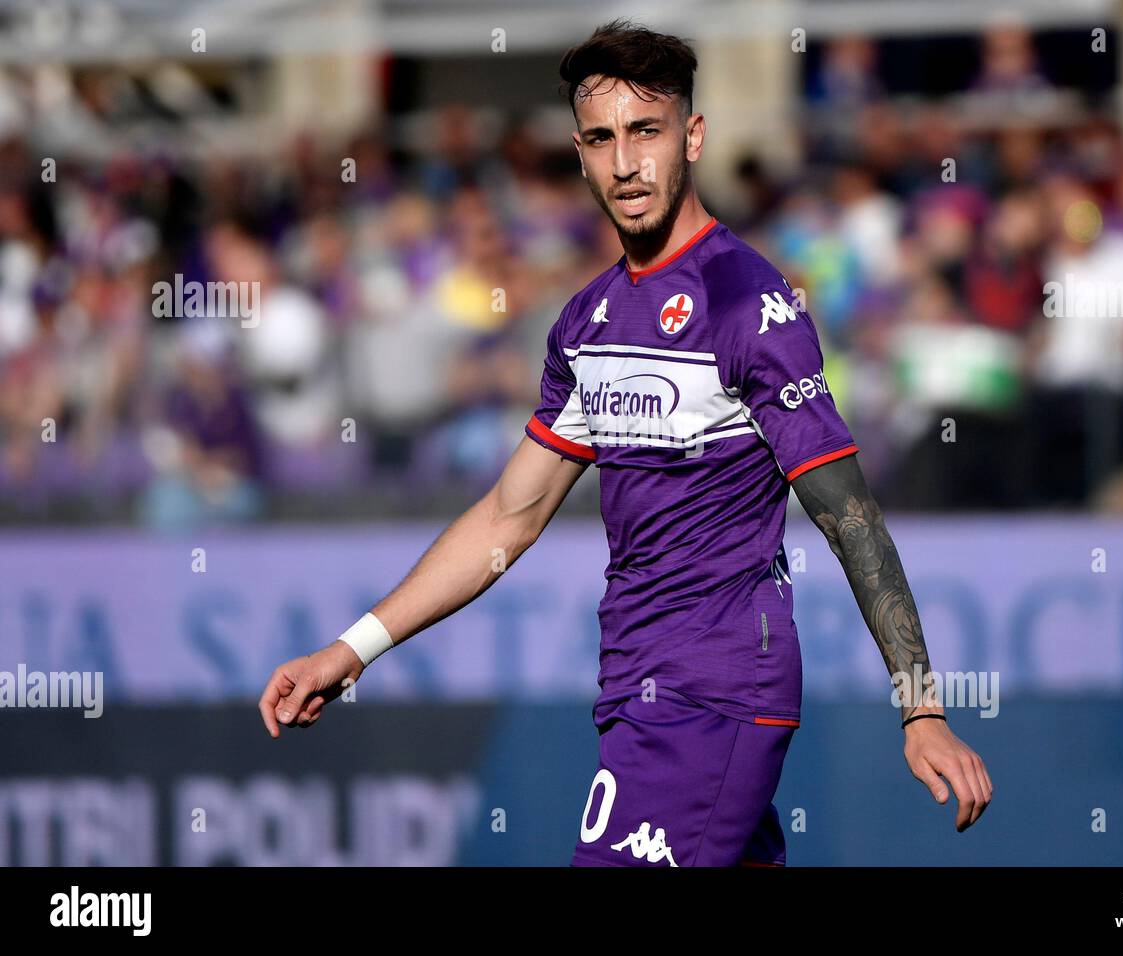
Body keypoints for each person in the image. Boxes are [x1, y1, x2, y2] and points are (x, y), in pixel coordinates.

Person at [258, 18, 992, 866]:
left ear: (694, 136)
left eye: (647, 131)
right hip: (635, 690)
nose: (625, 161)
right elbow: (507, 519)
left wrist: (921, 705)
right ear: (579, 152)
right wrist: (352, 651)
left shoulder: (750, 306)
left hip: (713, 692)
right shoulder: (588, 321)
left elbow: (850, 514)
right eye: (602, 138)